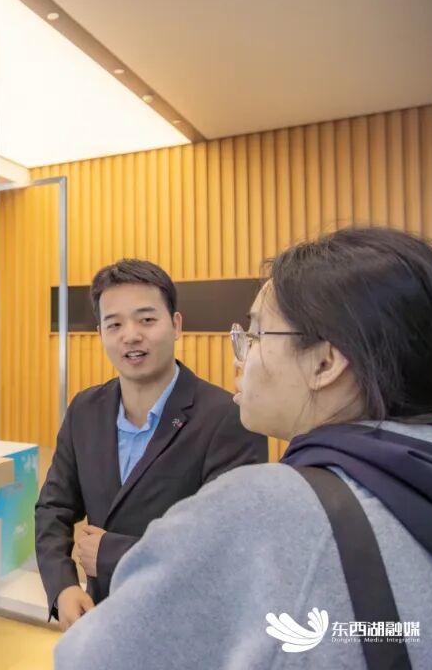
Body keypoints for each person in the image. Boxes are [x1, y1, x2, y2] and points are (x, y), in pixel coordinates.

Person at [55, 227, 432, 669]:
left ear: (324, 362)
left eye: (257, 334)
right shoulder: (428, 471)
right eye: (114, 324)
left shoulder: (265, 501)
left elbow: (88, 657)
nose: (239, 356)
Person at [35, 259, 267, 629]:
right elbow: (54, 506)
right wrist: (62, 586)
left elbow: (230, 544)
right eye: (114, 324)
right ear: (101, 333)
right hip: (102, 617)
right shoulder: (85, 409)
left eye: (146, 319)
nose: (130, 335)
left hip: (186, 626)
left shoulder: (229, 418)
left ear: (176, 325)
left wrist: (111, 553)